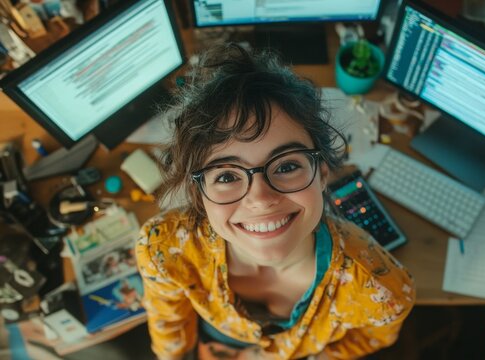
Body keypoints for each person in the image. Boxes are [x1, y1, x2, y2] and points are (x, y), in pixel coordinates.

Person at [135, 43, 415, 360]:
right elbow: (169, 328)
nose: (261, 199)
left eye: (286, 166)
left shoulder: (382, 292)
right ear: (199, 193)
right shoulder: (163, 251)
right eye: (226, 176)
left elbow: (372, 338)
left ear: (322, 173)